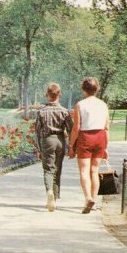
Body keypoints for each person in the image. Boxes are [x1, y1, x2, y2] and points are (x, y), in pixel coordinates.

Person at [68, 77, 109, 214]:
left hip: (86, 137)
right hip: (100, 137)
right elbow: (106, 127)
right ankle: (94, 200)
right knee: (95, 171)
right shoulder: (103, 105)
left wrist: (71, 144)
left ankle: (88, 198)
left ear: (83, 89)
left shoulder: (80, 105)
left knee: (84, 171)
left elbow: (76, 127)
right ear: (97, 89)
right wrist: (106, 147)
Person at [34, 83, 73, 212]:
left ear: (47, 95)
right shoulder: (64, 111)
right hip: (60, 140)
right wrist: (72, 146)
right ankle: (55, 198)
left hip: (47, 140)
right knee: (57, 169)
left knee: (48, 169)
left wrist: (39, 149)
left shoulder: (42, 111)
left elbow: (37, 132)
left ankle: (49, 191)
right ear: (60, 95)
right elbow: (71, 129)